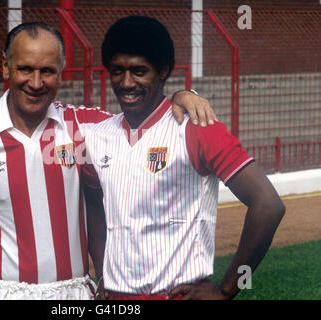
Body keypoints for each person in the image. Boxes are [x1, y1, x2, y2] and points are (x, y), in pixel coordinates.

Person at [0, 22, 215, 300]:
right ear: (6, 67)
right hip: (3, 291)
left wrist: (183, 96)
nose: (36, 83)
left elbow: (144, 115)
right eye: (25, 69)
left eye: (47, 71)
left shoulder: (86, 127)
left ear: (60, 72)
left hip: (74, 292)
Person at [82, 16, 286, 300]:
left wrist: (227, 290)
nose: (126, 82)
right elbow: (94, 205)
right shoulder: (97, 136)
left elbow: (269, 205)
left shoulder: (195, 128)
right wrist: (104, 274)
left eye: (139, 71)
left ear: (163, 71)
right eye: (117, 71)